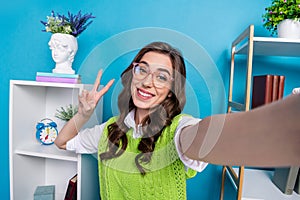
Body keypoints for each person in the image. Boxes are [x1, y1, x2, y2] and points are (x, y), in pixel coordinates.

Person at [55, 41, 300, 199]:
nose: (148, 81)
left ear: (172, 89)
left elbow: (206, 137)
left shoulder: (178, 129)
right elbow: (62, 142)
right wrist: (84, 114)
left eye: (162, 77)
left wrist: (287, 122)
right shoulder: (109, 131)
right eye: (143, 70)